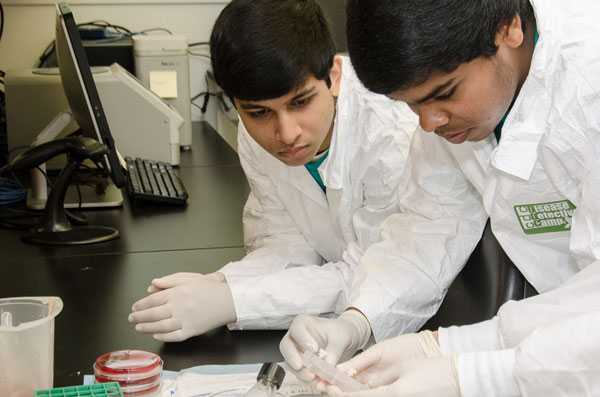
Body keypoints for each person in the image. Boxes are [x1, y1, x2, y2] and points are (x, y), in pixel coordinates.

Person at [282, 0, 600, 396]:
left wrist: (470, 374)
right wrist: (357, 320)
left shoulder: (590, 80)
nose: (428, 123)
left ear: (509, 29)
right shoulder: (461, 106)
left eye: (444, 93)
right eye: (412, 104)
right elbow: (430, 225)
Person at [126, 0, 448, 343]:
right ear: (237, 104)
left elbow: (372, 274)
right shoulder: (255, 133)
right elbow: (284, 240)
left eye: (300, 102)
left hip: (408, 322)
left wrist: (233, 301)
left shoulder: (390, 136)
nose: (286, 133)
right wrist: (220, 283)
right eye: (259, 113)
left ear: (334, 77)